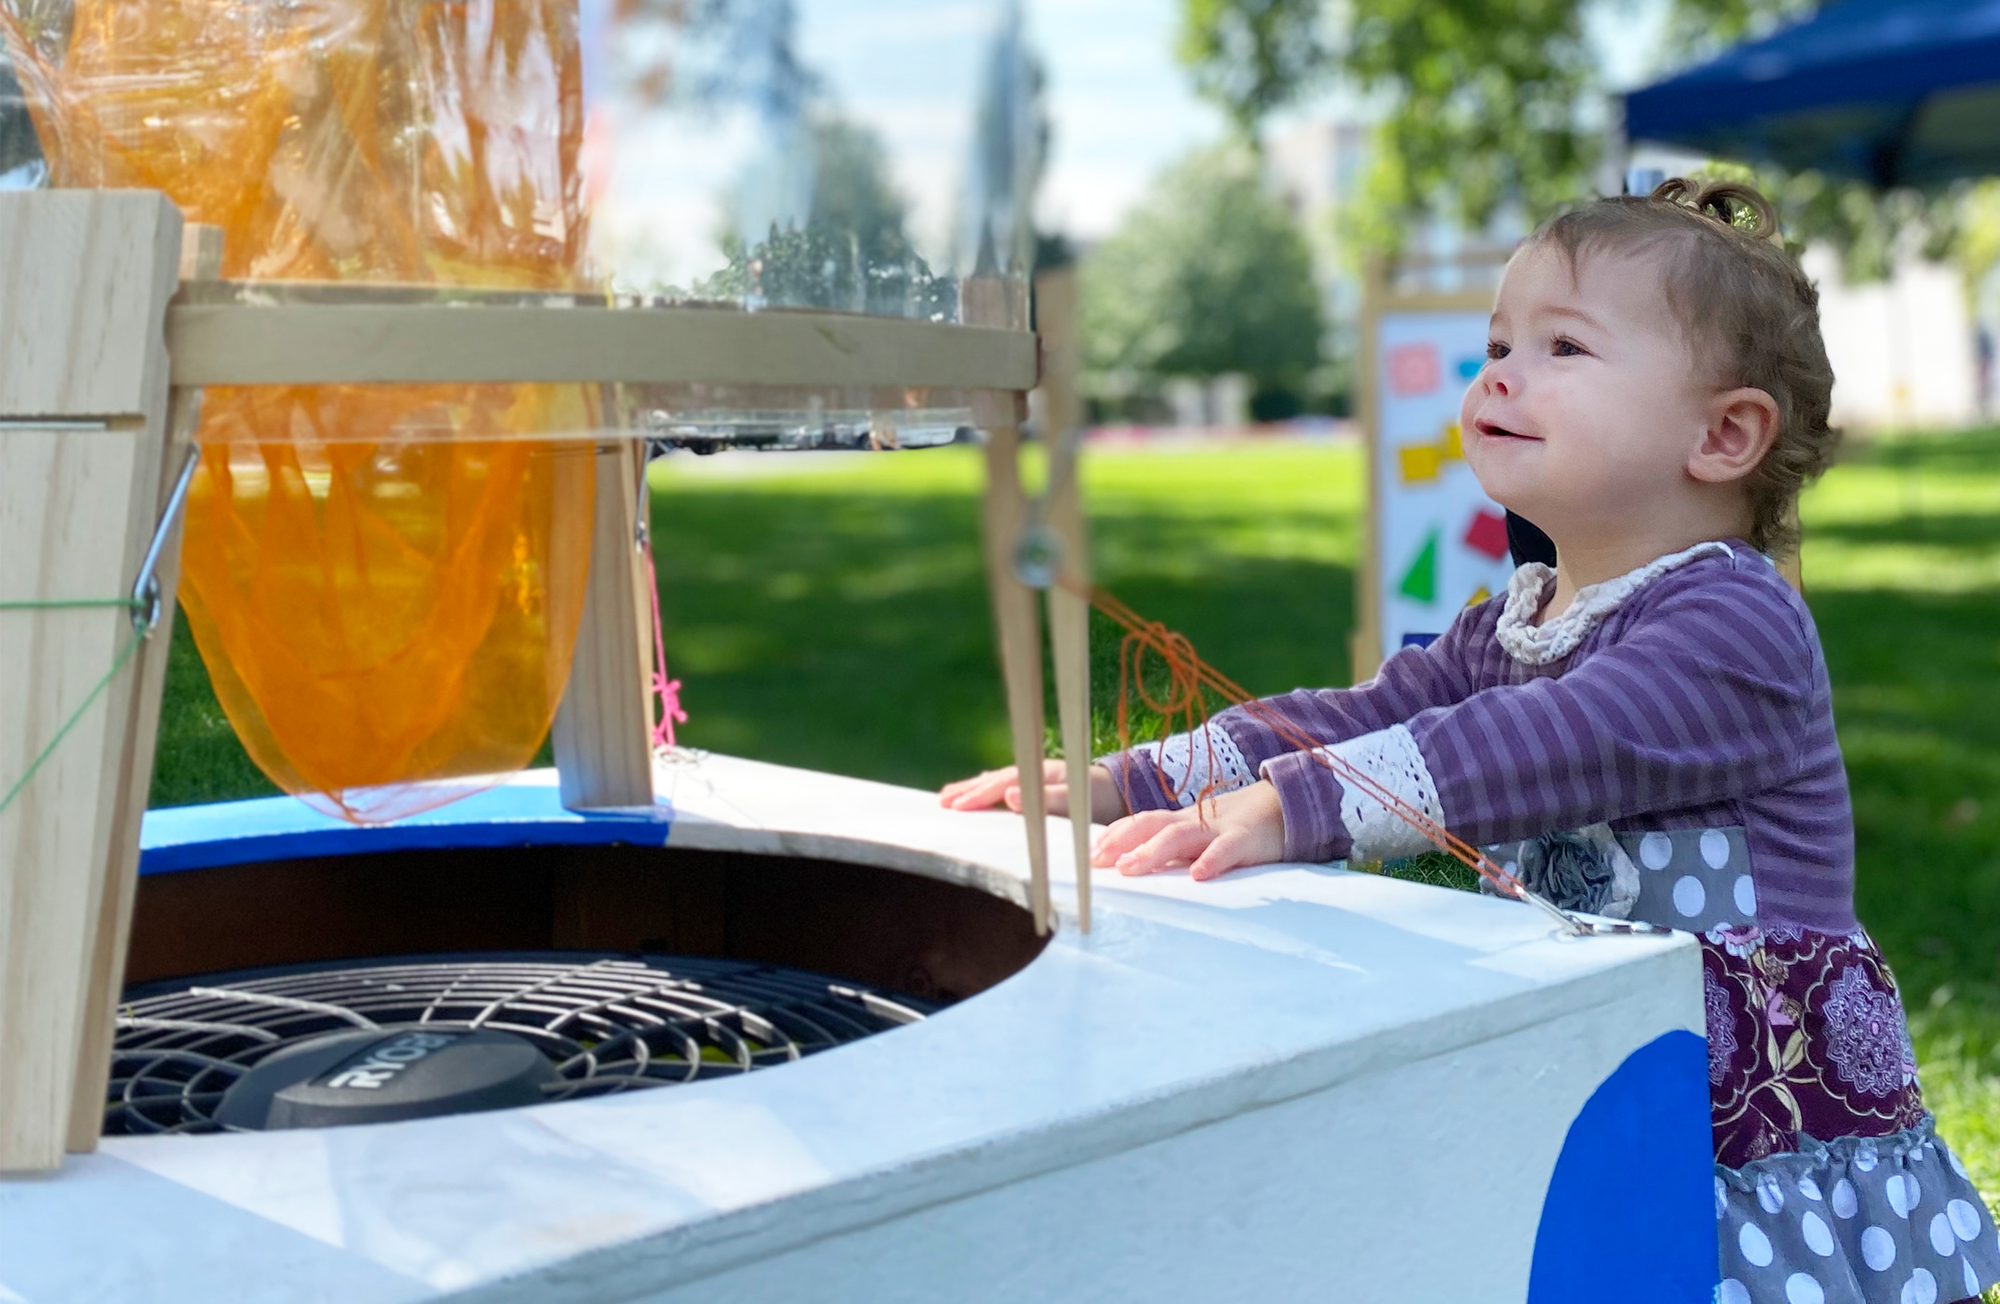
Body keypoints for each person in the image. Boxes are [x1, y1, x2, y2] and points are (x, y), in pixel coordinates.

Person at [939, 178, 1999, 1304]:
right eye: (1497, 341)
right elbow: (1356, 712)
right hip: (1608, 1053)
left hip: (1745, 1117)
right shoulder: (1516, 620)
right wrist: (1131, 777)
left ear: (1722, 433)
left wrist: (1296, 806)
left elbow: (1547, 741)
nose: (1497, 370)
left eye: (1561, 346)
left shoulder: (1735, 622)